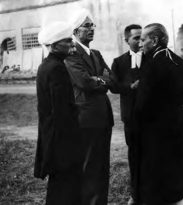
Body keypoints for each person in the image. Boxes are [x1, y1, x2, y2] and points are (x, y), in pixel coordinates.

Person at [134, 23, 183, 205]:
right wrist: (180, 104)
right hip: (176, 127)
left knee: (157, 177)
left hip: (155, 131)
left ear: (155, 40)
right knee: (177, 172)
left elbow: (142, 105)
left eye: (143, 39)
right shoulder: (176, 59)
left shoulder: (152, 64)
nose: (140, 44)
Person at [65, 9, 114, 205]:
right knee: (90, 166)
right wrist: (102, 80)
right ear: (76, 31)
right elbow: (84, 82)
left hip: (103, 116)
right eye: (87, 25)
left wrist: (101, 80)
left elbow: (111, 78)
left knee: (102, 166)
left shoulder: (96, 53)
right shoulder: (71, 54)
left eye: (92, 25)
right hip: (86, 118)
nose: (91, 29)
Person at [34, 21, 82, 205]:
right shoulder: (57, 68)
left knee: (59, 187)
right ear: (54, 45)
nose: (72, 43)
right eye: (68, 40)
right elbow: (62, 110)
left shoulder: (46, 65)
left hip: (53, 137)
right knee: (66, 189)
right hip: (62, 140)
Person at [110, 24, 143, 205]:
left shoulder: (151, 58)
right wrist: (130, 87)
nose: (140, 41)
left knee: (152, 154)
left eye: (142, 37)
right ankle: (136, 194)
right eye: (136, 38)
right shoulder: (119, 61)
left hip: (151, 117)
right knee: (135, 155)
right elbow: (113, 86)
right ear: (127, 41)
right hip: (131, 117)